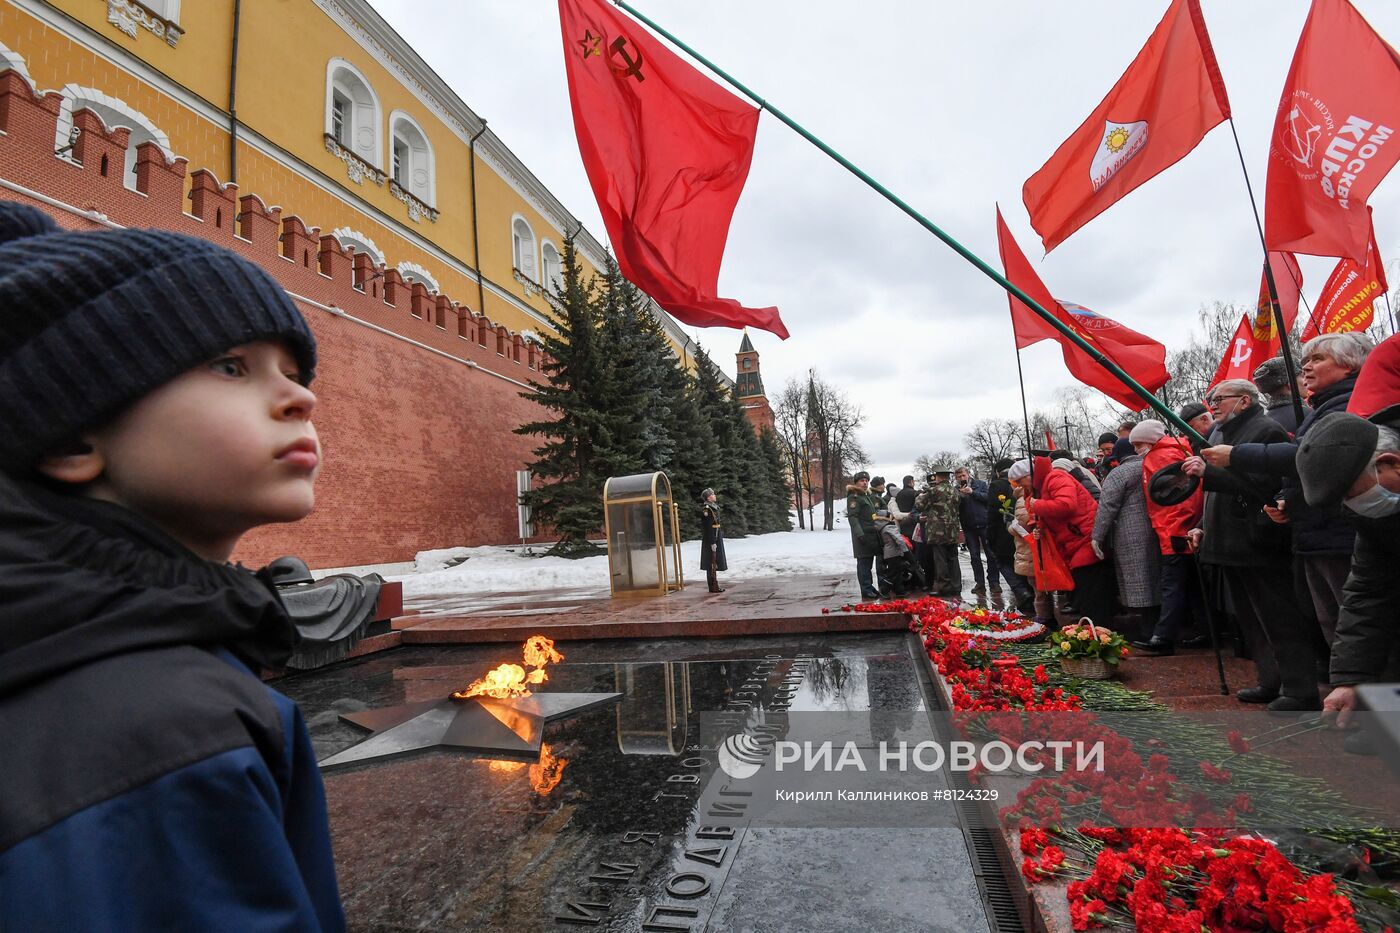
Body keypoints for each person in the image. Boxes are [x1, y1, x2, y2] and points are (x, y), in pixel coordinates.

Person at [0, 203, 344, 930]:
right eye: (230, 366)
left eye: (293, 370)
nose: (302, 397)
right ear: (70, 438)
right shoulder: (166, 727)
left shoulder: (98, 647)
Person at [1210, 333, 1373, 647]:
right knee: (1334, 624)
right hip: (1317, 532)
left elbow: (1311, 457)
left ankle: (1371, 695)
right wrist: (1290, 499)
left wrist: (1236, 456)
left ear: (1350, 365)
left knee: (1355, 626)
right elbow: (1306, 466)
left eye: (1318, 359)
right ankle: (1351, 691)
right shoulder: (1321, 408)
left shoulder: (1350, 405)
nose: (1307, 369)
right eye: (1306, 362)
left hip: (1341, 534)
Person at [1183, 378, 1319, 712]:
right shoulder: (1218, 434)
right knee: (1250, 619)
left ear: (1245, 401)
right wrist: (1201, 527)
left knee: (1278, 616)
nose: (1212, 404)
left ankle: (1300, 688)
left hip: (1257, 541)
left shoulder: (1265, 431)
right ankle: (1270, 680)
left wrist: (1209, 474)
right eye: (1211, 399)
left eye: (1220, 399)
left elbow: (1264, 487)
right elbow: (1217, 494)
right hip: (1227, 542)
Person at [1296, 410, 1400, 754]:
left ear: (1389, 464)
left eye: (1352, 493)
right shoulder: (1378, 519)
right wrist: (1351, 680)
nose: (1351, 506)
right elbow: (1368, 596)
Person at [1013, 455, 1115, 628]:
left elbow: (1066, 505)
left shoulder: (1056, 478)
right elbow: (1045, 517)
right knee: (1084, 591)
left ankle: (1099, 630)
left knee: (1090, 590)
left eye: (1020, 481)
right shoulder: (1038, 488)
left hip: (1083, 537)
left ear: (1029, 475)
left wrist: (1037, 505)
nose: (1020, 486)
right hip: (1073, 542)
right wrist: (1039, 528)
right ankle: (1093, 628)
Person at [1133, 420, 1208, 654]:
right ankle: (1207, 630)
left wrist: (1176, 530)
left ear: (1151, 440)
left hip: (1175, 531)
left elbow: (1180, 497)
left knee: (1172, 585)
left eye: (1139, 444)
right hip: (1178, 529)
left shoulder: (1162, 456)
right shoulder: (1175, 451)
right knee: (1194, 586)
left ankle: (1162, 638)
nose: (1137, 450)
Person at [1092, 437, 1161, 636]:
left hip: (1130, 537)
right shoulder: (1153, 465)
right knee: (1156, 580)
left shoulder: (1120, 473)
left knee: (1140, 585)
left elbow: (1107, 507)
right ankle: (1161, 629)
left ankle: (1149, 632)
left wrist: (1097, 536)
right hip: (1159, 530)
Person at [985, 458, 1035, 615]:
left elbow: (993, 512)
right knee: (1022, 562)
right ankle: (1029, 595)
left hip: (1002, 532)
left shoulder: (996, 485)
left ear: (998, 471)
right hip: (1022, 530)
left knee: (1002, 562)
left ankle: (1021, 591)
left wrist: (990, 534)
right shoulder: (1022, 482)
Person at [916, 467, 962, 596]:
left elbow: (919, 505)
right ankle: (956, 586)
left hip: (938, 531)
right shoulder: (955, 491)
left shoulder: (934, 491)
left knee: (940, 559)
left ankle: (944, 587)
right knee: (953, 558)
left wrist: (920, 496)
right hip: (952, 530)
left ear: (938, 477)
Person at [954, 465, 998, 596]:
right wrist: (960, 496)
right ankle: (980, 583)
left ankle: (994, 582)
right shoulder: (956, 490)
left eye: (963, 475)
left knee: (991, 554)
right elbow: (955, 507)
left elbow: (988, 498)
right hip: (969, 526)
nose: (962, 478)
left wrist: (973, 492)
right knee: (974, 556)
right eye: (959, 477)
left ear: (968, 474)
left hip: (984, 523)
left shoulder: (980, 484)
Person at [846, 471, 883, 600]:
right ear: (856, 483)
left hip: (870, 535)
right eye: (862, 480)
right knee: (863, 564)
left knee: (868, 562)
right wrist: (859, 534)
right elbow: (853, 518)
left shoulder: (865, 496)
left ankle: (869, 586)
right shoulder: (854, 497)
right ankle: (866, 589)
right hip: (862, 536)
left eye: (866, 480)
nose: (865, 482)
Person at [1253, 356, 1301, 434]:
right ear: (1290, 384)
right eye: (1302, 376)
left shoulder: (1261, 421)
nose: (1306, 381)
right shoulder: (1309, 415)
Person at [700, 488, 726, 593]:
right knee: (711, 563)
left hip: (716, 536)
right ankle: (712, 586)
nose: (714, 495)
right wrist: (712, 542)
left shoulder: (713, 507)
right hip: (711, 538)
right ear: (708, 497)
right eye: (713, 494)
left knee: (714, 562)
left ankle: (714, 584)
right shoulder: (707, 509)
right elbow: (708, 527)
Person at [895, 474, 919, 539]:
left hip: (902, 523)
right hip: (913, 522)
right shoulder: (915, 493)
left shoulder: (898, 494)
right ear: (911, 482)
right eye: (913, 482)